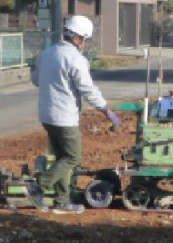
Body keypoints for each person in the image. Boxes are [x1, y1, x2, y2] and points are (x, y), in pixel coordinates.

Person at [28, 15, 121, 214]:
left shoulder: (47, 54)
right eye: (85, 40)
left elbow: (36, 79)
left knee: (62, 157)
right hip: (64, 117)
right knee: (72, 157)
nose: (85, 44)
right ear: (78, 38)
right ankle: (39, 185)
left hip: (46, 116)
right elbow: (87, 89)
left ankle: (62, 201)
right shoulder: (75, 59)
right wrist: (106, 110)